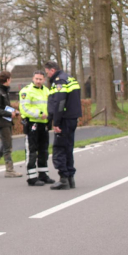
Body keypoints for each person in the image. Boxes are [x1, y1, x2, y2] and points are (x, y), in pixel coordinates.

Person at [44, 61, 82, 190]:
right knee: (68, 148)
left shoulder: (59, 81)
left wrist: (56, 122)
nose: (47, 75)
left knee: (59, 148)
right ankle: (71, 178)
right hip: (72, 118)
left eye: (47, 72)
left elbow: (59, 102)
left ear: (52, 70)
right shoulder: (70, 78)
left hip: (64, 119)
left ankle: (63, 179)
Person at [19, 70, 54, 186]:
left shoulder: (46, 91)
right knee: (32, 151)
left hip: (43, 124)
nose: (38, 81)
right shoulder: (26, 91)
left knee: (44, 150)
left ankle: (43, 174)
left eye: (40, 79)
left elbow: (50, 105)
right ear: (33, 79)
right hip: (32, 124)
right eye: (36, 79)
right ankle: (32, 177)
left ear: (44, 80)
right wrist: (39, 113)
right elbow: (24, 108)